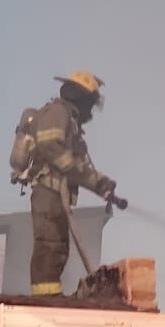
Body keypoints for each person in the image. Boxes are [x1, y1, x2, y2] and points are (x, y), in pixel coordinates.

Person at [28, 70, 119, 296]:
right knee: (49, 245)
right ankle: (45, 299)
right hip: (48, 191)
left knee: (58, 248)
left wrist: (102, 185)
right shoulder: (57, 112)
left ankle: (49, 295)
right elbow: (50, 147)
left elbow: (79, 169)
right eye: (90, 103)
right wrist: (72, 167)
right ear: (81, 98)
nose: (91, 111)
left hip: (57, 194)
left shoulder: (70, 121)